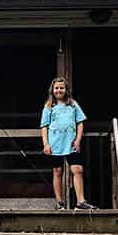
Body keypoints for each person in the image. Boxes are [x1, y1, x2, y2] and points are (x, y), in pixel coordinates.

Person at [40, 77, 97, 210]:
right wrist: (46, 144)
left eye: (62, 88)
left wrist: (78, 140)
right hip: (55, 145)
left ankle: (81, 201)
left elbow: (80, 122)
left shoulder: (73, 104)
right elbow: (44, 126)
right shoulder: (49, 106)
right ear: (52, 90)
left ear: (66, 90)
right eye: (56, 88)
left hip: (71, 144)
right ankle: (60, 202)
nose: (59, 90)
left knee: (77, 169)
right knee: (57, 171)